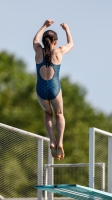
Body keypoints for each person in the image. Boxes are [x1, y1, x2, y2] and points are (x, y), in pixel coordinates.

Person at [33, 19, 74, 160]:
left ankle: (52, 140)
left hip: (41, 90)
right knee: (59, 113)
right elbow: (71, 44)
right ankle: (60, 141)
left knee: (48, 113)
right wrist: (67, 29)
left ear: (44, 41)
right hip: (54, 87)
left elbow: (35, 39)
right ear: (55, 42)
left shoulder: (38, 50)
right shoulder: (59, 52)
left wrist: (44, 25)